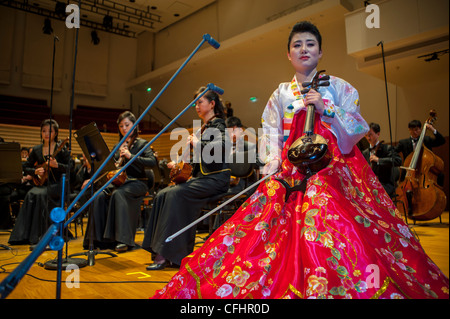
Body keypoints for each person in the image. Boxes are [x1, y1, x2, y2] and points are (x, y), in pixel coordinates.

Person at [151, 21, 449, 299]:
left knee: (326, 207)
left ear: (320, 51)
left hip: (332, 169)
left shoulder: (341, 87)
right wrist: (270, 166)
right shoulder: (280, 94)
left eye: (310, 44)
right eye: (297, 45)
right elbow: (270, 136)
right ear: (289, 54)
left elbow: (358, 129)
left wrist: (327, 109)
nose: (303, 49)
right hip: (291, 172)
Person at [142, 87, 231, 270]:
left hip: (215, 180)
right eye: (196, 103)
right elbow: (200, 160)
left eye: (200, 102)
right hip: (203, 179)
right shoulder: (205, 128)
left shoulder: (219, 125)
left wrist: (198, 143)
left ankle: (169, 254)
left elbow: (221, 148)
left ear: (212, 104)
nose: (197, 106)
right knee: (163, 194)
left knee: (176, 194)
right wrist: (180, 166)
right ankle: (159, 249)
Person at [82, 111, 156, 253]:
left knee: (119, 194)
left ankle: (123, 240)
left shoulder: (142, 143)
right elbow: (109, 168)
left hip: (138, 182)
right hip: (120, 183)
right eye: (121, 126)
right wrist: (92, 179)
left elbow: (152, 162)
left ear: (134, 126)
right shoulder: (118, 146)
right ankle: (98, 240)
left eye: (127, 125)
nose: (124, 128)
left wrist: (130, 156)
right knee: (98, 195)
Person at [9, 119, 71, 245]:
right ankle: (24, 235)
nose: (46, 134)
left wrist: (57, 165)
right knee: (31, 193)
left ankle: (42, 235)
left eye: (50, 131)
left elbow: (71, 169)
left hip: (57, 185)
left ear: (56, 133)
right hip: (42, 184)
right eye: (44, 131)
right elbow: (25, 167)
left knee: (39, 194)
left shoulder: (62, 149)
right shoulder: (36, 150)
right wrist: (35, 172)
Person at [395, 119, 445, 184]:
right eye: (412, 130)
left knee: (440, 176)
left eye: (416, 129)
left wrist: (432, 129)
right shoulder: (403, 143)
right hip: (409, 172)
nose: (414, 132)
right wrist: (400, 161)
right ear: (409, 130)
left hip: (424, 171)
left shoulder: (427, 140)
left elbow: (442, 141)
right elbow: (393, 152)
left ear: (420, 129)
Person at [362, 123, 402, 197]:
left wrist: (379, 160)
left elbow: (398, 160)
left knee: (375, 195)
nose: (368, 138)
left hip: (386, 184)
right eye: (366, 135)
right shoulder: (365, 153)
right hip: (371, 185)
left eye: (370, 135)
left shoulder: (387, 148)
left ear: (378, 134)